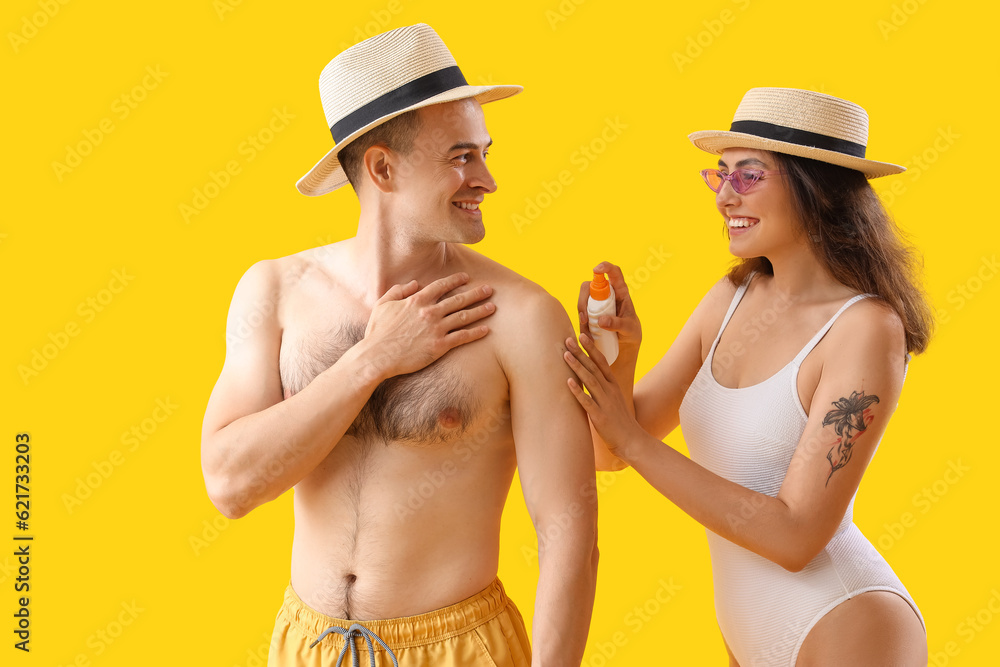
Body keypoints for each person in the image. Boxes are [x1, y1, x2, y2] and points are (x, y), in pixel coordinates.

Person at [200, 24, 598, 667]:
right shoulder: (274, 290)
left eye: (484, 153)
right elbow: (230, 485)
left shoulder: (521, 318)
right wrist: (372, 359)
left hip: (457, 650)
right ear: (383, 168)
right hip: (308, 646)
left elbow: (570, 535)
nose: (487, 179)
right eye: (461, 157)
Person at [562, 87, 931, 665]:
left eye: (749, 176)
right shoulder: (730, 299)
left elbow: (796, 537)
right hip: (746, 629)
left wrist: (631, 440)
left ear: (816, 189)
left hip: (845, 623)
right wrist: (621, 359)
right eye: (720, 174)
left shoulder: (865, 328)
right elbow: (607, 453)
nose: (724, 196)